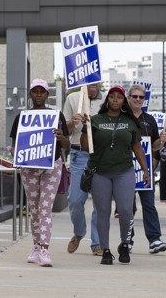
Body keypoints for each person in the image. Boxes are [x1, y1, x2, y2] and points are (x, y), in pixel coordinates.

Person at [80, 85, 150, 265]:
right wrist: (85, 128)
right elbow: (86, 147)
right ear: (108, 99)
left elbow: (137, 147)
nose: (116, 100)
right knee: (103, 212)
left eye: (119, 97)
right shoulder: (95, 120)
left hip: (124, 171)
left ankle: (125, 244)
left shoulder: (129, 122)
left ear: (123, 101)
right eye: (112, 97)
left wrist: (145, 170)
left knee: (126, 210)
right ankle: (105, 249)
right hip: (100, 173)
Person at [10, 78, 70, 267]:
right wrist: (18, 155)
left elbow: (67, 144)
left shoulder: (57, 116)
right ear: (30, 94)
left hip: (51, 165)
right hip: (29, 167)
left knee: (45, 207)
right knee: (34, 208)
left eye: (41, 91)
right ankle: (36, 247)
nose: (38, 94)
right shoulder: (22, 117)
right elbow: (14, 145)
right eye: (35, 91)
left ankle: (45, 249)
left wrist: (61, 137)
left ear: (47, 94)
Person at [63, 83, 104, 256]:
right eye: (89, 82)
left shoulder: (107, 100)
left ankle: (97, 243)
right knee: (74, 200)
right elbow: (66, 130)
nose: (93, 86)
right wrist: (73, 122)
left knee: (100, 203)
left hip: (101, 155)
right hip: (78, 154)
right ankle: (79, 232)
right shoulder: (72, 98)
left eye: (96, 82)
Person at [126, 84, 166, 254]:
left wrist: (162, 141)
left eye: (140, 97)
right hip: (125, 168)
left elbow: (155, 145)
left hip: (145, 170)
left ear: (145, 99)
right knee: (126, 206)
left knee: (148, 204)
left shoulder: (149, 119)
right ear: (129, 98)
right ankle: (127, 239)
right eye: (134, 96)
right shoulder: (122, 117)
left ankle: (154, 239)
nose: (137, 99)